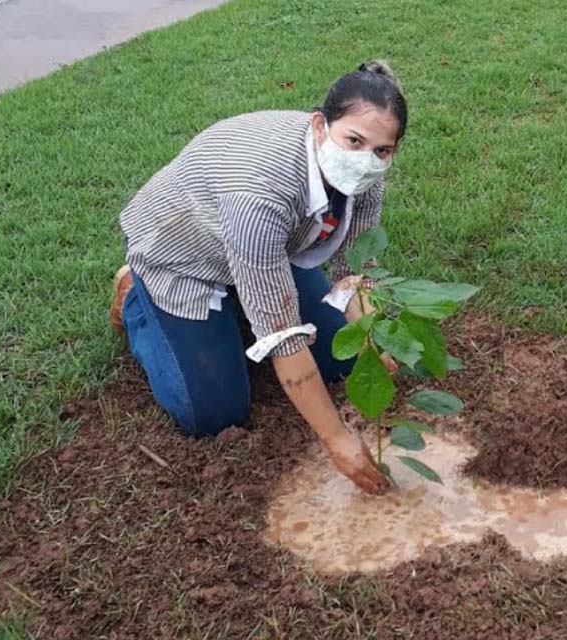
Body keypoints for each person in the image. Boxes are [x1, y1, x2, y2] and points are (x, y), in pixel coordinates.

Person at [109, 61, 408, 495]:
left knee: (343, 358)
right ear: (321, 125)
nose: (366, 160)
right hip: (182, 256)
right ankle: (137, 300)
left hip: (267, 250)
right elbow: (284, 337)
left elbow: (354, 273)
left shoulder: (366, 172)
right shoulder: (259, 194)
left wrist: (375, 340)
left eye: (382, 150)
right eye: (354, 140)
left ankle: (246, 297)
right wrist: (338, 440)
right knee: (214, 414)